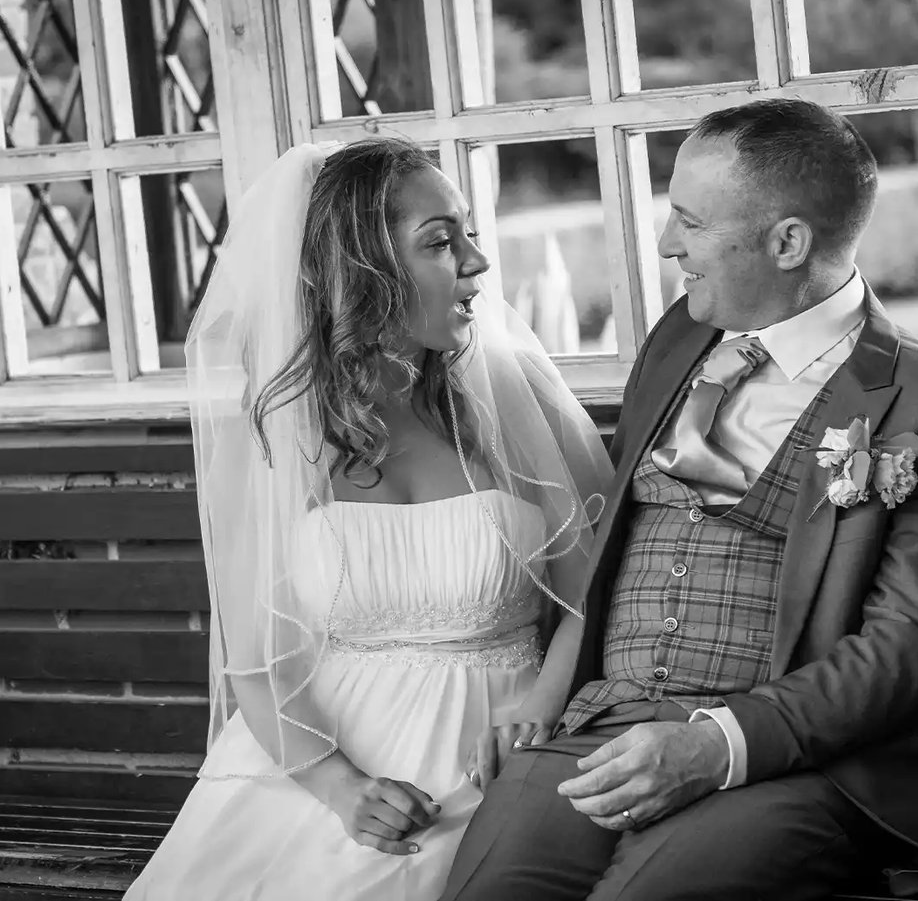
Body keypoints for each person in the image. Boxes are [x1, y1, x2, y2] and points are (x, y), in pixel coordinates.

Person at [440, 98, 918, 900]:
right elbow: (621, 545)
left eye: (690, 221)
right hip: (604, 723)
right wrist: (548, 696)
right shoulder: (679, 337)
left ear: (788, 241)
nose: (668, 243)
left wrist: (716, 746)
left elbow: (909, 653)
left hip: (802, 762)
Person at [126, 137, 612, 900]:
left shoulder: (513, 398)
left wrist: (542, 706)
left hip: (502, 755)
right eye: (441, 243)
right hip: (324, 763)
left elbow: (597, 591)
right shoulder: (286, 428)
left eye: (468, 234)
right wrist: (341, 787)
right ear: (367, 271)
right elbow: (259, 663)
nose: (478, 264)